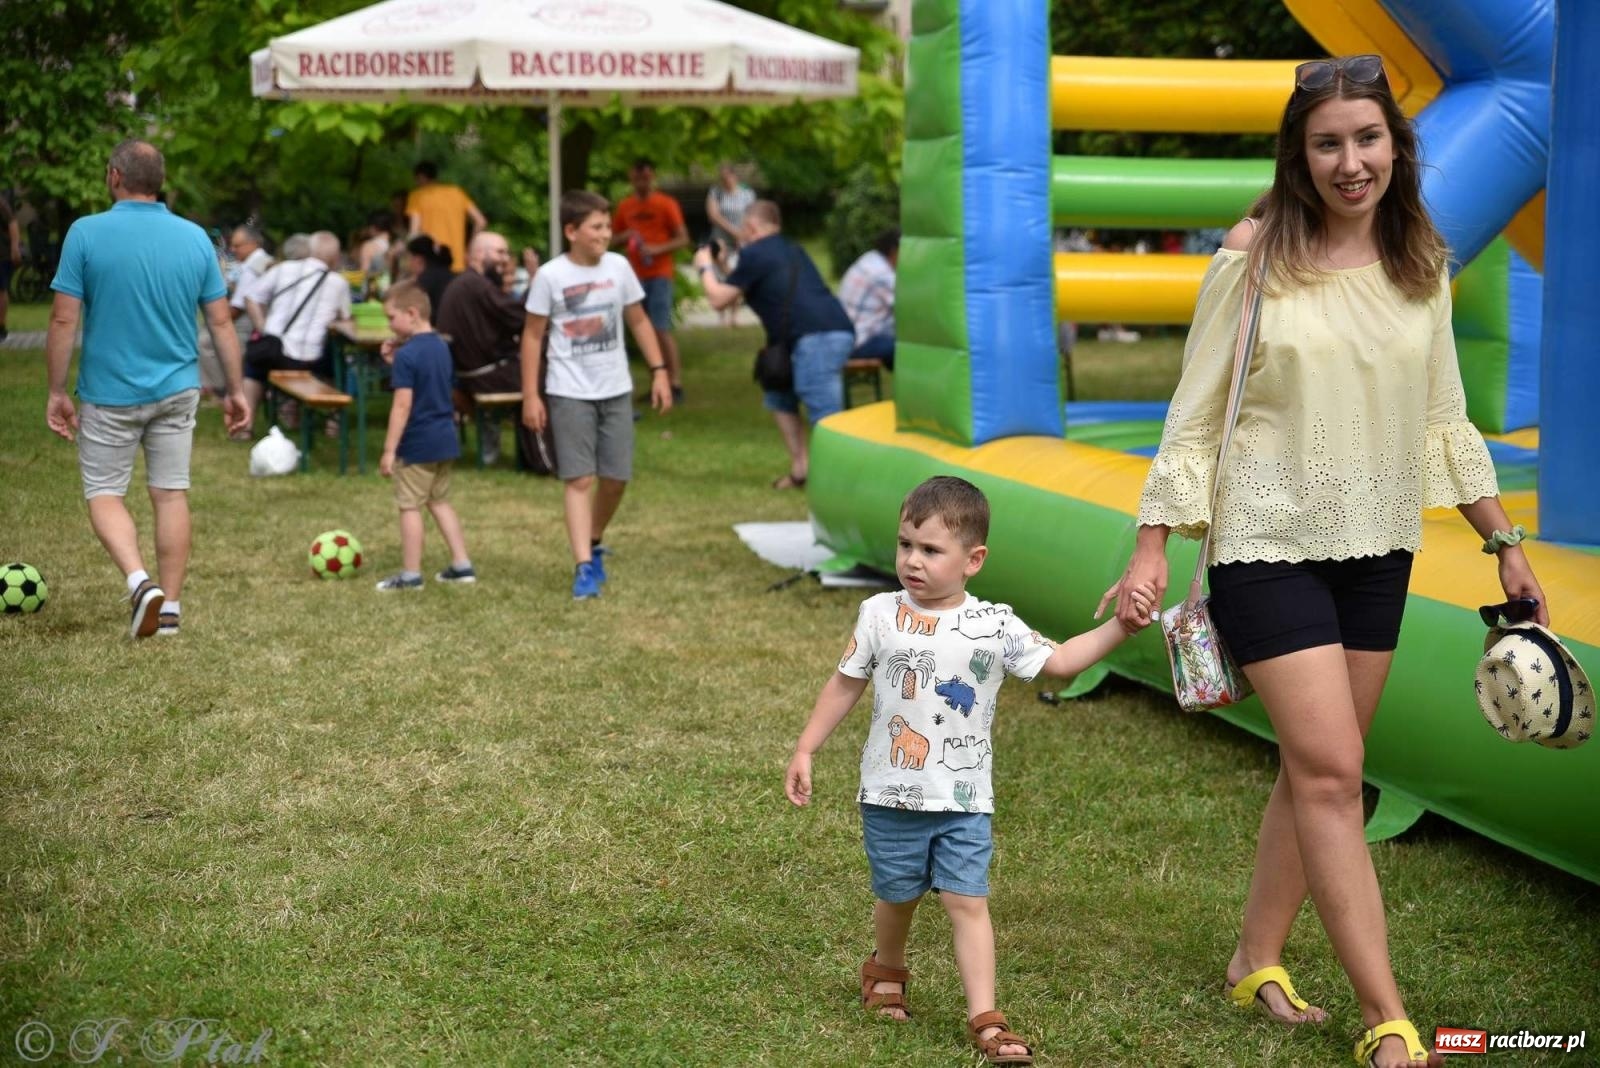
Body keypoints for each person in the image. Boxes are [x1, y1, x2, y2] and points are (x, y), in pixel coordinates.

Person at [1098, 55, 1547, 1068]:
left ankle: (1255, 956)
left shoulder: (1420, 261)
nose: (1352, 162)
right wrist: (1152, 541)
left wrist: (1502, 540)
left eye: (1368, 138)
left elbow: (1443, 415)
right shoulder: (1253, 256)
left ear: (1397, 144)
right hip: (1265, 545)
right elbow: (1196, 408)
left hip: (1378, 546)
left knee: (1313, 772)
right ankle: (1387, 1019)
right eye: (1328, 143)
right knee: (1337, 775)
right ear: (1298, 158)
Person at [784, 475, 1155, 1067]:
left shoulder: (995, 624)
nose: (912, 560)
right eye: (906, 544)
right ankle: (886, 968)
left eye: (930, 550)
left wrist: (1122, 628)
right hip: (891, 793)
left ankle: (986, 1016)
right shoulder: (880, 613)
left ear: (973, 559)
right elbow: (846, 681)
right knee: (897, 894)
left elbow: (1058, 662)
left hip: (963, 799)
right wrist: (806, 748)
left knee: (967, 901)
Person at [43, 139, 251, 638]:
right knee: (170, 493)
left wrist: (56, 391)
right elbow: (222, 324)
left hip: (109, 393)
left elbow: (63, 318)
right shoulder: (196, 239)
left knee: (105, 491)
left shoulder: (85, 233)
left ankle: (140, 584)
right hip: (178, 389)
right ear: (160, 181)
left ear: (115, 175)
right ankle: (171, 608)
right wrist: (236, 389)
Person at [520, 190, 673, 600]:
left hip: (615, 388)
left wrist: (659, 371)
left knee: (617, 478)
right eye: (597, 227)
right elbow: (533, 337)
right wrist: (530, 395)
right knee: (579, 478)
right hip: (568, 390)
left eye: (608, 226)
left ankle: (594, 537)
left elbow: (639, 321)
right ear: (571, 231)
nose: (607, 234)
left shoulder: (619, 267)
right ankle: (584, 565)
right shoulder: (550, 276)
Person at [693, 200, 854, 490]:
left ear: (752, 227)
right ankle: (801, 469)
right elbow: (741, 290)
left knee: (825, 414)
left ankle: (838, 484)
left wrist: (704, 267)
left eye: (743, 228)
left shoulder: (755, 254)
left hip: (816, 337)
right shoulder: (791, 249)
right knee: (778, 392)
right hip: (822, 331)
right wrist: (721, 264)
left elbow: (718, 299)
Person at [373, 281, 476, 591]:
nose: (389, 325)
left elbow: (402, 405)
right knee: (438, 500)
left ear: (412, 313)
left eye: (391, 317)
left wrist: (390, 450)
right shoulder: (441, 346)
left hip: (418, 442)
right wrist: (397, 357)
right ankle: (462, 565)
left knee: (409, 505)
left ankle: (410, 574)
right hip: (445, 438)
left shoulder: (408, 356)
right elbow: (428, 378)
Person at [436, 231, 539, 466]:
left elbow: (507, 316)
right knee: (546, 374)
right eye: (500, 252)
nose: (505, 259)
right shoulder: (477, 286)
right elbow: (518, 316)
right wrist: (536, 282)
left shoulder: (465, 283)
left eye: (506, 252)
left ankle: (525, 450)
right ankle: (541, 455)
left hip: (470, 373)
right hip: (486, 376)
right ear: (479, 254)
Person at [240, 230, 351, 431]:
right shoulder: (338, 282)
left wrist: (262, 327)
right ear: (335, 257)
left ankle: (245, 426)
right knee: (336, 363)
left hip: (272, 349)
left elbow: (251, 297)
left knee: (254, 368)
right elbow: (345, 318)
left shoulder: (283, 269)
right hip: (306, 359)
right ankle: (333, 423)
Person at [612, 158, 688, 400]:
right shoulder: (625, 207)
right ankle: (657, 380)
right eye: (637, 177)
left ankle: (675, 383)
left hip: (660, 275)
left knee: (661, 327)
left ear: (652, 177)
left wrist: (657, 249)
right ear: (631, 178)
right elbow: (611, 239)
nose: (642, 181)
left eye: (646, 177)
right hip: (634, 276)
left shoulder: (666, 204)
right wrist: (625, 235)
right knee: (641, 328)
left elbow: (683, 238)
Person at [405, 160, 483, 273]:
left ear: (421, 177)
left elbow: (414, 232)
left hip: (431, 263)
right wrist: (469, 250)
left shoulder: (417, 196)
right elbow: (480, 221)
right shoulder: (457, 192)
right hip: (458, 262)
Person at [838, 227, 899, 368]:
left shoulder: (870, 258)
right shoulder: (882, 275)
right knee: (909, 349)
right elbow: (908, 309)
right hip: (858, 341)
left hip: (845, 335)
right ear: (894, 250)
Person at [705, 162, 755, 327]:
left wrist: (744, 236)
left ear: (735, 177)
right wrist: (734, 231)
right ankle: (722, 315)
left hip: (741, 240)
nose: (725, 181)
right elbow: (714, 216)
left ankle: (734, 315)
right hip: (722, 239)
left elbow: (751, 215)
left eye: (728, 177)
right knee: (721, 275)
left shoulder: (747, 194)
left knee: (736, 274)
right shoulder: (716, 193)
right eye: (722, 178)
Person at [405, 234, 455, 318]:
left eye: (409, 258)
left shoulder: (424, 281)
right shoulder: (451, 274)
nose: (408, 263)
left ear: (418, 259)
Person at [0, 194, 19, 341]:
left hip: (2, 254)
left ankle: (1, 326)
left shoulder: (1, 203)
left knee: (1, 290)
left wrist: (14, 248)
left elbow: (12, 223)